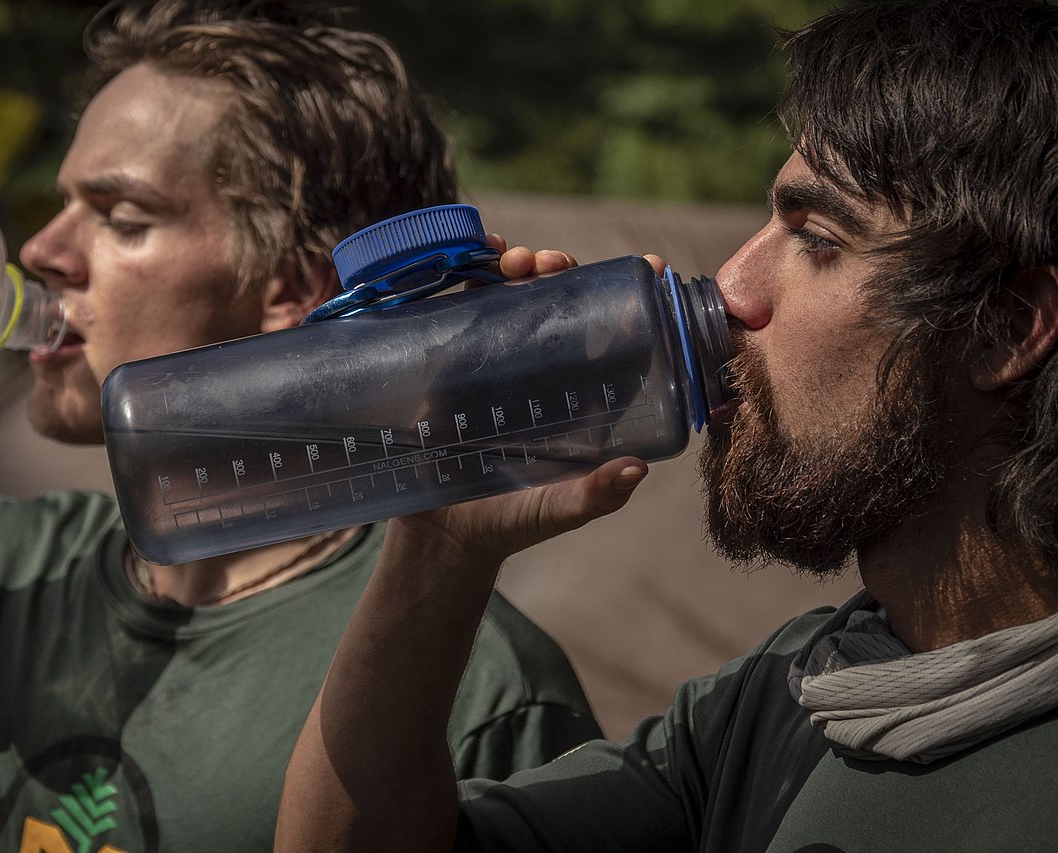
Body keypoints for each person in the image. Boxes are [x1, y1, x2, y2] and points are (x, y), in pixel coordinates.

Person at [0, 1, 603, 850]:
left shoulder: (475, 688)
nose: (40, 251)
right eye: (59, 204)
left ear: (295, 287)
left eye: (121, 217)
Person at [276, 0, 1058, 849]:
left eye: (818, 238)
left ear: (1006, 326)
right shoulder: (776, 703)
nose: (729, 287)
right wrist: (444, 539)